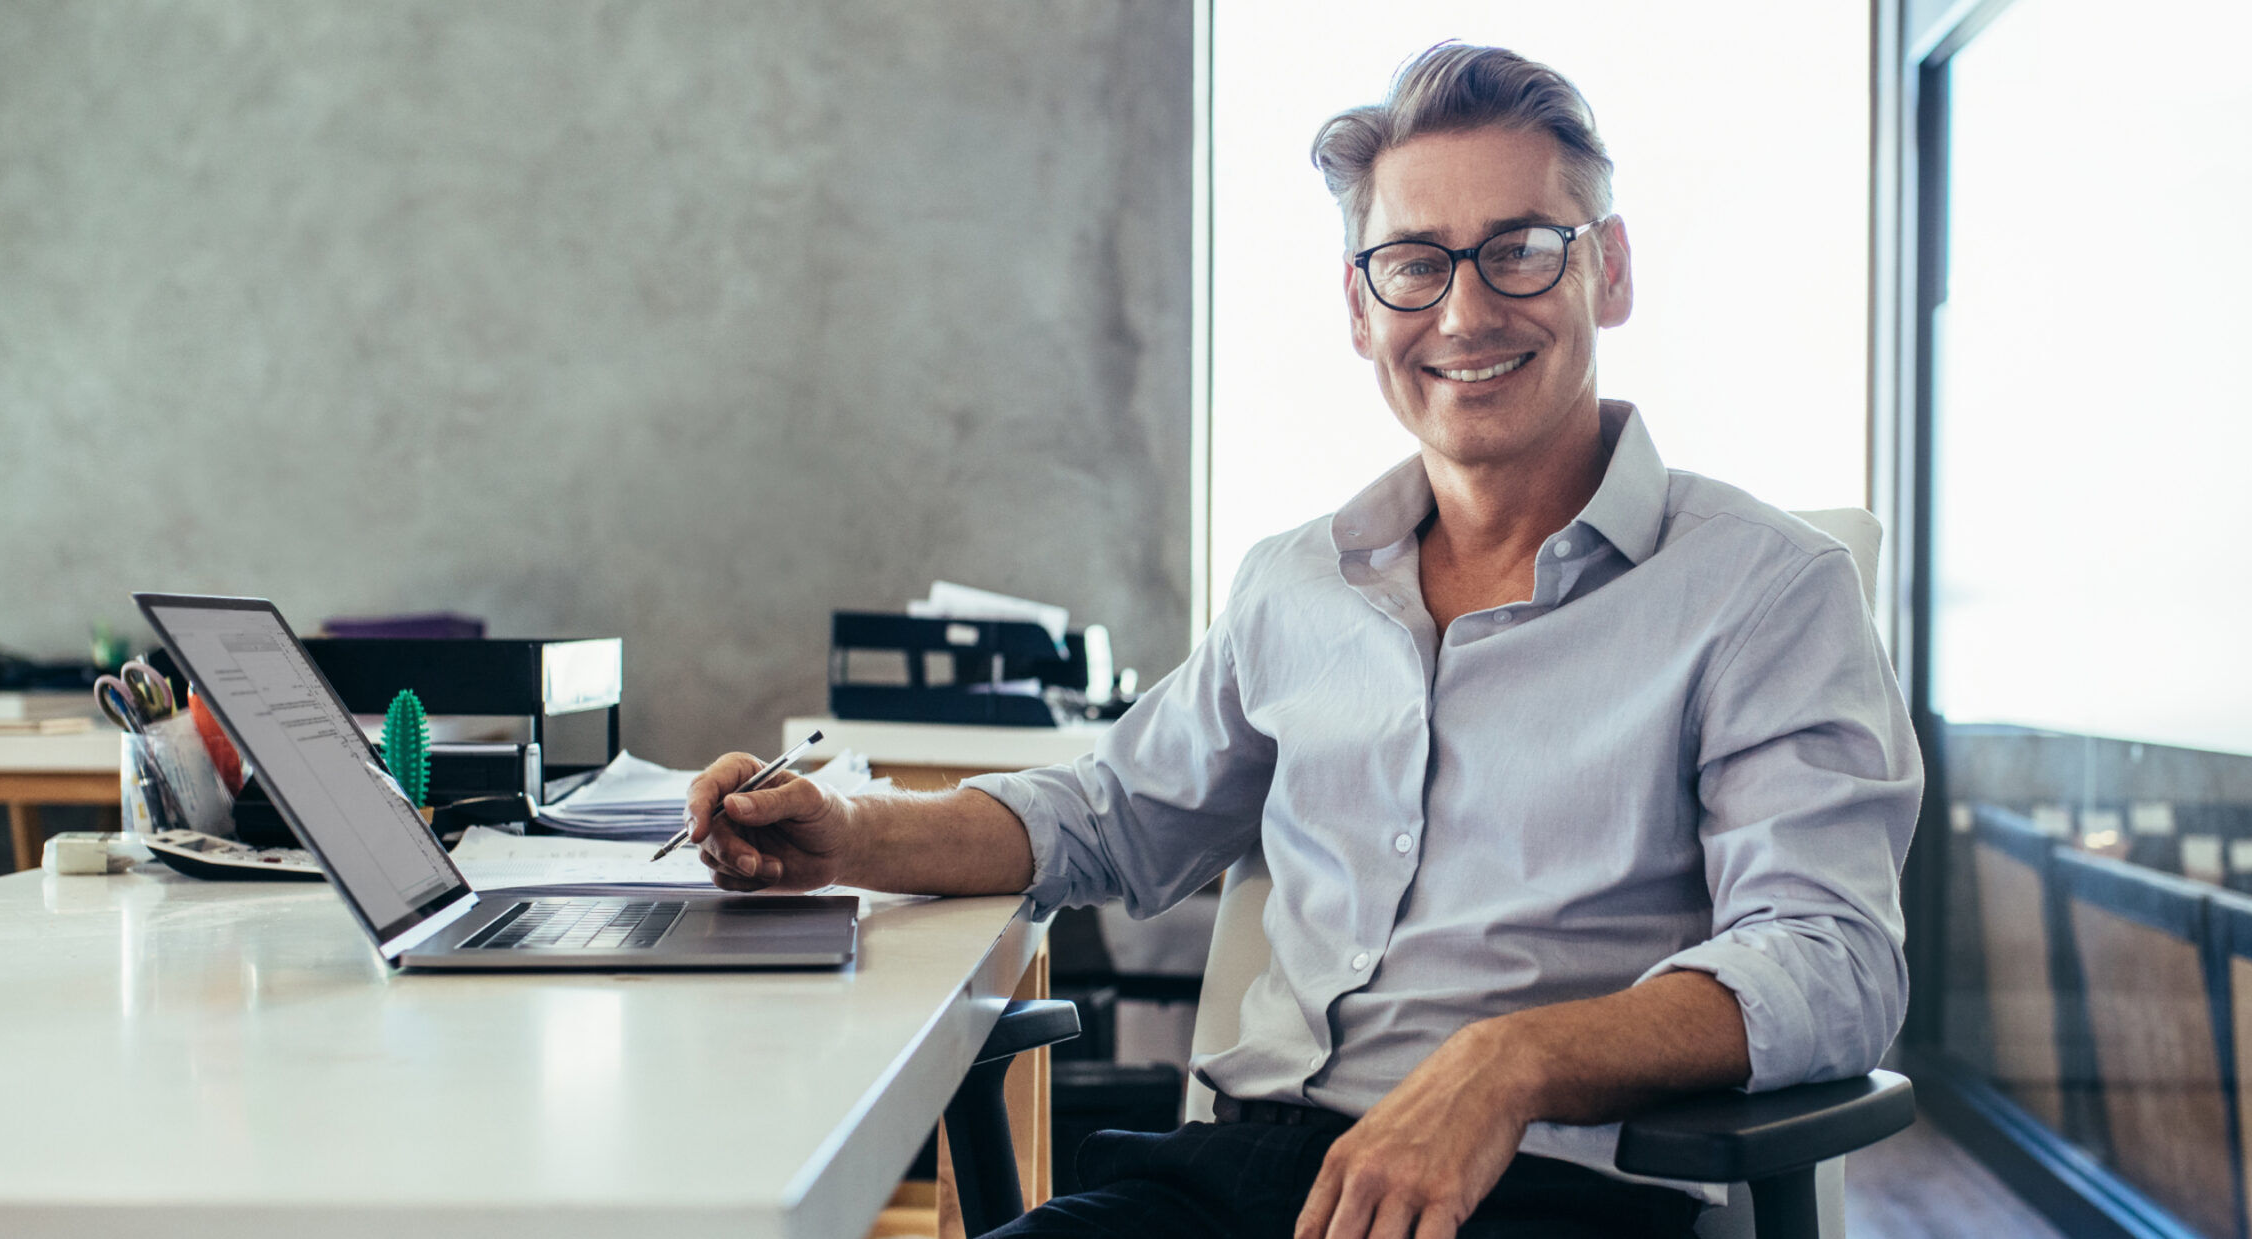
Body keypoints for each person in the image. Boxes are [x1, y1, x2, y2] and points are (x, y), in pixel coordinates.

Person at [687, 41, 1920, 1239]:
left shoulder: (1768, 592)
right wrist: (849, 836)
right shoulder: (1295, 583)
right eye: (1414, 263)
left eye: (1521, 251)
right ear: (1358, 302)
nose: (1467, 308)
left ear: (1609, 270)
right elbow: (1109, 815)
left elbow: (1831, 959)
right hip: (1236, 1174)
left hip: (1555, 1192)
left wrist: (1508, 1064)